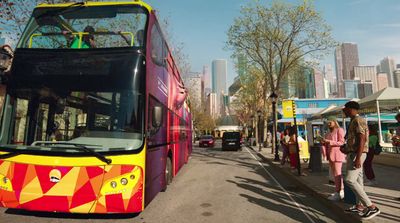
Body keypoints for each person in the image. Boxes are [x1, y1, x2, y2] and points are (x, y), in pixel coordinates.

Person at [341, 101, 380, 220]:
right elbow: (354, 140)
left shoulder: (358, 120)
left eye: (345, 109)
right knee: (359, 180)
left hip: (358, 154)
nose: (344, 111)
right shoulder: (353, 121)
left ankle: (371, 206)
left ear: (351, 109)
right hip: (353, 153)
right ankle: (359, 206)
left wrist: (358, 157)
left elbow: (362, 138)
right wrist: (346, 148)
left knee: (349, 180)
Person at [321, 116, 345, 201]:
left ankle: (340, 191)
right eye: (327, 123)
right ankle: (338, 190)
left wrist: (329, 142)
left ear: (335, 122)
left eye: (330, 122)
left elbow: (342, 142)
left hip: (337, 154)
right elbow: (326, 144)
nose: (328, 124)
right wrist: (323, 142)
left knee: (338, 173)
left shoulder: (340, 130)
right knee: (334, 174)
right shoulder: (328, 132)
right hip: (330, 155)